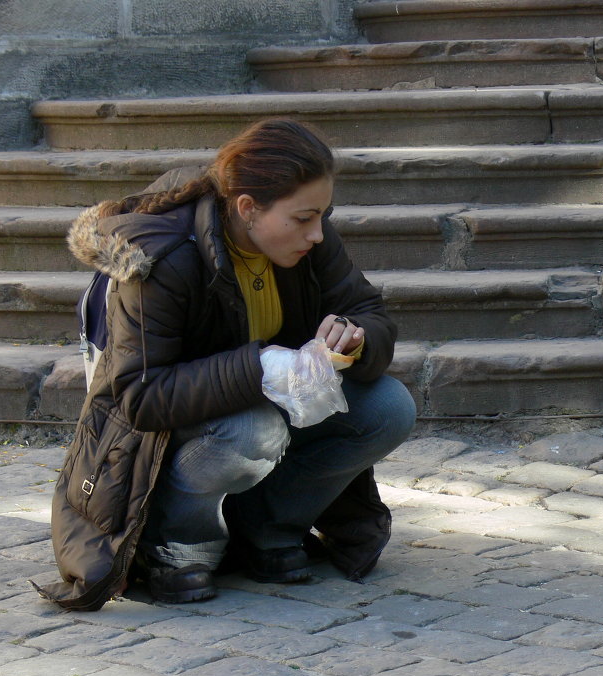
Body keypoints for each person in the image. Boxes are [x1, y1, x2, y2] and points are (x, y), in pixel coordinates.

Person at [36, 117, 417, 610]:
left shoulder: (305, 240)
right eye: (303, 218)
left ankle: (268, 531)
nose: (318, 233)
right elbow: (139, 398)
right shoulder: (163, 258)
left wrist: (353, 338)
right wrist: (259, 370)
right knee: (253, 430)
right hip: (158, 441)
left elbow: (369, 309)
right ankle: (176, 547)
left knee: (390, 407)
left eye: (322, 215)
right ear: (247, 208)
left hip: (251, 406)